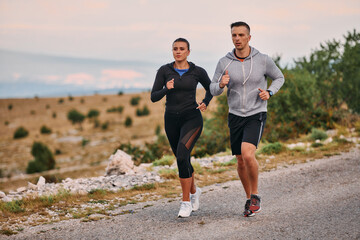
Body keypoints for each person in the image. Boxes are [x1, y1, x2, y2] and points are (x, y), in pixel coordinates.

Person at [210, 21, 285, 217]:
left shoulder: (262, 59)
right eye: (234, 35)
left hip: (256, 113)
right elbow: (213, 89)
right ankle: (249, 198)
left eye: (241, 35)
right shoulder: (223, 62)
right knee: (241, 161)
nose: (237, 39)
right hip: (235, 115)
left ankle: (256, 195)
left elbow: (279, 77)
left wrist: (269, 92)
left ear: (249, 38)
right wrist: (220, 84)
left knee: (248, 153)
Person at [151, 38, 213, 218]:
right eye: (175, 49)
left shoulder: (197, 71)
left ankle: (185, 202)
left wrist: (206, 102)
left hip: (192, 118)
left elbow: (212, 89)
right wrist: (166, 89)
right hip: (171, 120)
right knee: (183, 159)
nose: (178, 51)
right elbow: (154, 97)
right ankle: (194, 192)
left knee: (181, 155)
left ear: (188, 51)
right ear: (172, 51)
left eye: (181, 49)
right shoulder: (164, 71)